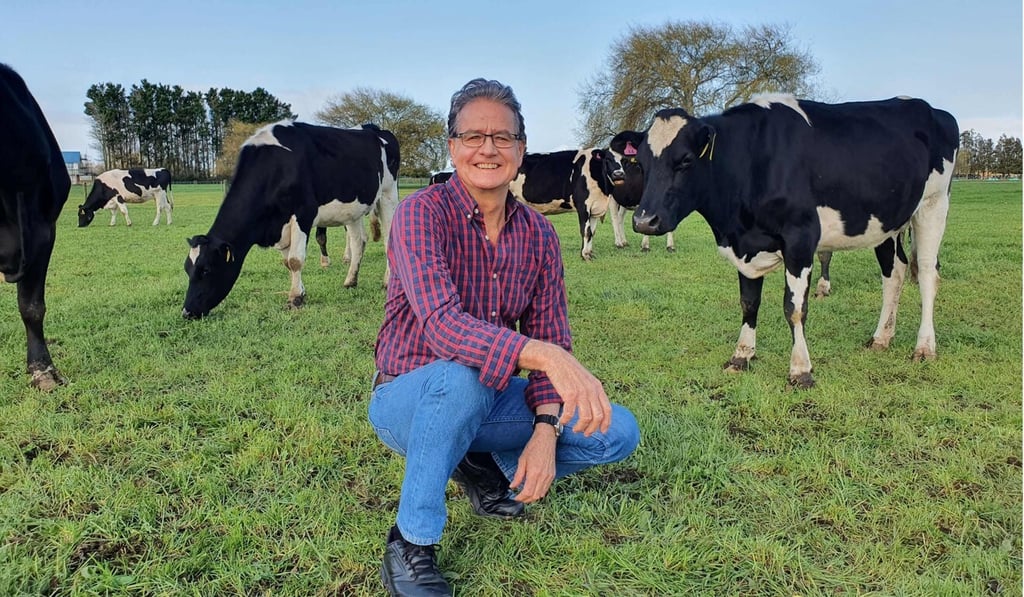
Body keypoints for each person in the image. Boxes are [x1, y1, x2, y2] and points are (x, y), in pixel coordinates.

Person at [369, 77, 641, 597]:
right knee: (461, 377)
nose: (487, 148)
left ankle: (480, 462)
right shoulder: (419, 215)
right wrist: (544, 357)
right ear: (453, 148)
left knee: (616, 430)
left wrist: (545, 429)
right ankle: (410, 543)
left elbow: (550, 332)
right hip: (407, 397)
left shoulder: (539, 235)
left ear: (520, 151)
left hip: (487, 395)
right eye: (473, 137)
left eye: (503, 137)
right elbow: (443, 327)